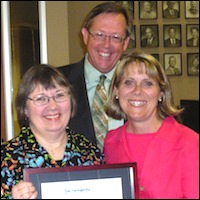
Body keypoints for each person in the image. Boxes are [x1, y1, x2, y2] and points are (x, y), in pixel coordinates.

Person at [103, 51, 199, 199]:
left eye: (147, 83)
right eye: (128, 82)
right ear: (116, 91)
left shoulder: (190, 143)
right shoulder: (111, 142)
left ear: (161, 93)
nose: (137, 91)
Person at [1, 64, 105, 199]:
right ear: (25, 109)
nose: (53, 106)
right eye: (41, 98)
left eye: (60, 95)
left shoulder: (91, 153)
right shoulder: (5, 158)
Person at [58, 2, 131, 150]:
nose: (106, 44)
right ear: (85, 36)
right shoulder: (57, 82)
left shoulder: (143, 88)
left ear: (125, 43)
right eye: (99, 35)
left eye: (116, 37)